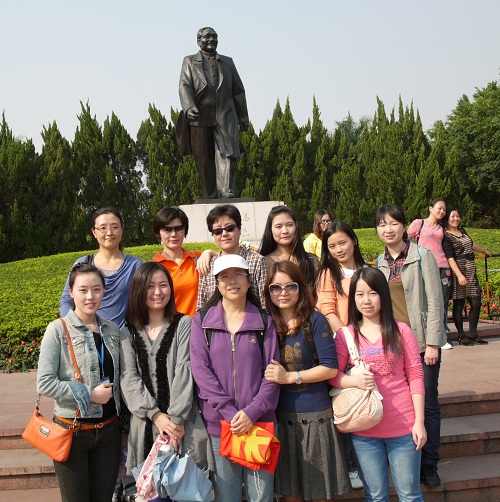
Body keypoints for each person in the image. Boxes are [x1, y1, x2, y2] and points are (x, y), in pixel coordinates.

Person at [331, 267, 426, 501]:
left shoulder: (401, 331)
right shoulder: (346, 335)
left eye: (373, 293)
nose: (367, 300)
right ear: (353, 299)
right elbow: (333, 375)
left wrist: (419, 422)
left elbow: (415, 375)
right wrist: (354, 380)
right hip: (364, 428)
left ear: (383, 294)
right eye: (360, 294)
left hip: (404, 426)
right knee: (375, 495)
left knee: (410, 495)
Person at [190, 254, 280, 502]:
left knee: (261, 496)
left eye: (238, 274)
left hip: (259, 424)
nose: (232, 281)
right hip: (221, 425)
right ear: (217, 283)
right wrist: (230, 413)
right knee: (226, 496)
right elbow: (201, 371)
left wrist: (252, 412)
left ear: (249, 281)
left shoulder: (263, 321)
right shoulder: (202, 321)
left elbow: (272, 373)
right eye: (225, 276)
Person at [120, 262, 212, 502]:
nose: (158, 292)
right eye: (150, 286)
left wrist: (175, 421)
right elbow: (129, 379)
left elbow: (185, 369)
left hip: (183, 428)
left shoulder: (183, 324)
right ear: (139, 290)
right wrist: (155, 415)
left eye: (163, 285)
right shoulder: (127, 332)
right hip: (145, 427)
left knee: (186, 491)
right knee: (150, 494)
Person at [264, 261, 351, 501]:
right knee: (291, 494)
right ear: (268, 291)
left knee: (320, 493)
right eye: (276, 287)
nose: (283, 293)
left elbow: (330, 368)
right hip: (280, 418)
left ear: (301, 288)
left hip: (315, 417)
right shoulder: (266, 324)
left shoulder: (315, 320)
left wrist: (290, 377)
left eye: (290, 286)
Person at [375, 204, 446, 488]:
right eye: (382, 224)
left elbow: (436, 300)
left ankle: (429, 463)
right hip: (395, 347)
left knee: (427, 403)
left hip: (421, 343)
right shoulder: (379, 263)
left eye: (393, 223)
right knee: (404, 404)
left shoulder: (422, 256)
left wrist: (433, 343)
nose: (388, 229)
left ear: (405, 226)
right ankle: (409, 460)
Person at [37, 263, 121, 502]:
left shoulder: (112, 330)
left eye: (96, 289)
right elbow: (44, 383)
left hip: (109, 432)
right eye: (83, 290)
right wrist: (89, 394)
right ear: (71, 292)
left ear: (103, 292)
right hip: (72, 432)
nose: (90, 296)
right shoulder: (57, 330)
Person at [315, 221, 367, 489]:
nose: (338, 249)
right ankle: (350, 466)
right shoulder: (328, 273)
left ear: (353, 241)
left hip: (371, 344)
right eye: (332, 246)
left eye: (342, 243)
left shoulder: (367, 270)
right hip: (344, 346)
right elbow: (327, 310)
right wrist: (350, 338)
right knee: (347, 403)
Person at [177, 27, 249, 199]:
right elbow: (184, 85)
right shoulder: (189, 61)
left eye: (214, 37)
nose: (211, 40)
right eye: (207, 37)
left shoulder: (227, 62)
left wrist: (243, 116)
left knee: (227, 152)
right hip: (199, 114)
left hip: (225, 113)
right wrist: (189, 107)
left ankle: (227, 190)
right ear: (198, 41)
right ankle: (209, 195)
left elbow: (238, 91)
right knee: (203, 157)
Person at [60, 207, 142, 328]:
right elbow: (66, 301)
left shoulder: (134, 265)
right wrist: (78, 327)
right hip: (87, 335)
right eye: (103, 228)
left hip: (122, 336)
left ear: (122, 229)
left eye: (115, 227)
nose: (109, 233)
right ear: (94, 232)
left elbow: (143, 303)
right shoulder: (83, 263)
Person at [196, 204, 268, 309]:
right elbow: (201, 305)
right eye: (218, 231)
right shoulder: (208, 264)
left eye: (229, 228)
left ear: (239, 229)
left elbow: (265, 302)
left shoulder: (257, 261)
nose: (224, 234)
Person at [408, 198, 453, 349]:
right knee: (426, 302)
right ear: (430, 208)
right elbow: (405, 239)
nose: (442, 211)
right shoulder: (419, 223)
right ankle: (426, 335)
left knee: (442, 303)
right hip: (424, 266)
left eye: (444, 209)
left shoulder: (442, 227)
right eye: (439, 208)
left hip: (443, 267)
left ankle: (441, 337)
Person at [443, 207, 492, 345]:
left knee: (476, 303)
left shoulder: (462, 231)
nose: (456, 219)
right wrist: (459, 275)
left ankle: (473, 333)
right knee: (459, 304)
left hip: (471, 270)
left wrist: (483, 250)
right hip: (459, 271)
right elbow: (450, 258)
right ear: (447, 219)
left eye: (457, 216)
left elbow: (471, 244)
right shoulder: (446, 236)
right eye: (453, 216)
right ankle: (461, 335)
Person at [152, 206, 208, 317]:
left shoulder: (197, 258)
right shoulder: (153, 267)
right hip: (170, 326)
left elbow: (225, 258)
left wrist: (209, 252)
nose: (174, 234)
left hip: (198, 325)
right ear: (159, 233)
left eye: (178, 228)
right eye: (167, 229)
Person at [259, 205, 319, 292]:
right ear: (270, 230)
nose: (285, 231)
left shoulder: (311, 260)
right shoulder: (263, 263)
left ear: (296, 226)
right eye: (278, 226)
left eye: (289, 225)